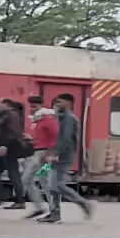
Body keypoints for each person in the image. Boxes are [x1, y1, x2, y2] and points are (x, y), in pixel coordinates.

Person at [39, 93, 93, 224]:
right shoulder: (59, 117)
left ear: (68, 103)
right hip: (53, 156)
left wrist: (55, 153)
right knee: (46, 181)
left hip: (62, 157)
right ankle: (54, 214)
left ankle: (83, 203)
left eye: (59, 102)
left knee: (57, 185)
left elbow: (65, 138)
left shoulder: (69, 118)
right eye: (55, 102)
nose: (56, 105)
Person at [0, 97, 25, 208]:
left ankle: (20, 201)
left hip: (9, 148)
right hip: (5, 148)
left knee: (13, 174)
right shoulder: (8, 115)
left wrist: (5, 146)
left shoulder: (11, 115)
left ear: (6, 104)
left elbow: (13, 132)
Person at [22, 95, 56, 219]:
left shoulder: (47, 120)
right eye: (30, 106)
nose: (31, 109)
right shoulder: (38, 120)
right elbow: (45, 137)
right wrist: (31, 139)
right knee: (43, 180)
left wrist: (49, 153)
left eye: (34, 106)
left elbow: (54, 137)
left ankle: (44, 208)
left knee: (31, 179)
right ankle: (46, 208)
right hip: (40, 153)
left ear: (41, 106)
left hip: (43, 155)